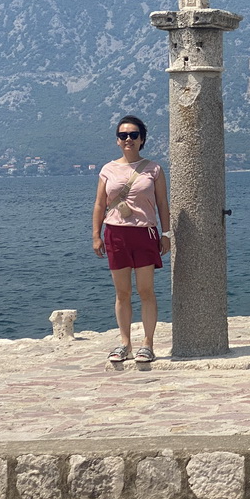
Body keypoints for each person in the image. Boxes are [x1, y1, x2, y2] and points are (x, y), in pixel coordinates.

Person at [92, 115, 171, 363]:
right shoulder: (108, 169)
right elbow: (99, 204)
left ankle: (147, 344)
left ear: (142, 139)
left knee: (146, 290)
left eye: (134, 135)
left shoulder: (154, 169)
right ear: (117, 140)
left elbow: (162, 204)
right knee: (122, 292)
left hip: (144, 233)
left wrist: (166, 233)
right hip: (115, 233)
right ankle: (125, 343)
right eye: (123, 135)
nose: (128, 139)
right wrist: (96, 235)